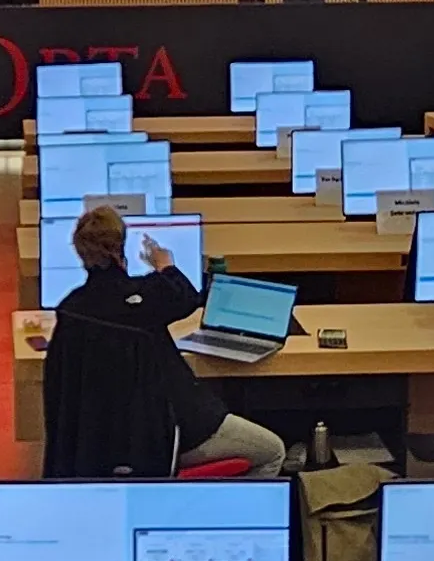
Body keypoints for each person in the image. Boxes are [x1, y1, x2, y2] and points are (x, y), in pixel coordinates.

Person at [39, 203, 286, 478]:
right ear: (121, 247)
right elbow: (187, 298)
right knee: (272, 451)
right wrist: (165, 265)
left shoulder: (69, 310)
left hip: (95, 446)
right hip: (166, 437)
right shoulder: (150, 296)